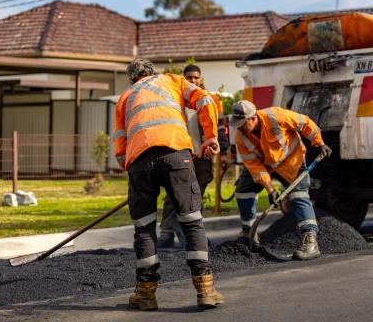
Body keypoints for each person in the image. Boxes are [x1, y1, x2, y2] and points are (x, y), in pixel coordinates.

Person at [113, 58, 224, 311]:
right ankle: (205, 290)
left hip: (139, 162)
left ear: (133, 79)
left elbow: (120, 144)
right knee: (191, 220)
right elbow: (205, 100)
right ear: (154, 72)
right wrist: (210, 137)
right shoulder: (173, 80)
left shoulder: (125, 96)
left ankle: (146, 295)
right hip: (176, 155)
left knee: (143, 228)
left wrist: (134, 172)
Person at [229, 100, 332, 260]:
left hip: (290, 162)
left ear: (253, 118)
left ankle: (310, 241)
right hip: (264, 164)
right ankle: (249, 234)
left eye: (243, 123)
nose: (240, 127)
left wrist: (319, 143)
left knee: (299, 196)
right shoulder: (240, 136)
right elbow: (254, 166)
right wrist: (270, 190)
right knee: (243, 191)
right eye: (237, 124)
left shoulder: (277, 116)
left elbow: (305, 122)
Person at [157, 64, 229, 248]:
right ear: (183, 79)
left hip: (202, 155)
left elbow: (220, 127)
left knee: (196, 195)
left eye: (196, 77)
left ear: (201, 79)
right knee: (172, 194)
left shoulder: (210, 98)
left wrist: (223, 150)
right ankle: (166, 234)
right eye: (189, 77)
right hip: (179, 154)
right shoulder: (175, 99)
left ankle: (194, 234)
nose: (193, 80)